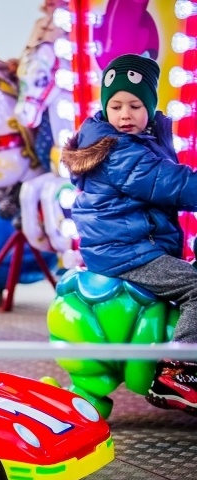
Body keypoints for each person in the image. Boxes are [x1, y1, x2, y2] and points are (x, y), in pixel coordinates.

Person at [61, 53, 197, 414]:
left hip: (132, 245)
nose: (125, 115)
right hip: (126, 251)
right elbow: (169, 183)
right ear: (105, 108)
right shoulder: (118, 150)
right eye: (116, 105)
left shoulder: (139, 141)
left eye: (135, 105)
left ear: (150, 107)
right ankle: (180, 370)